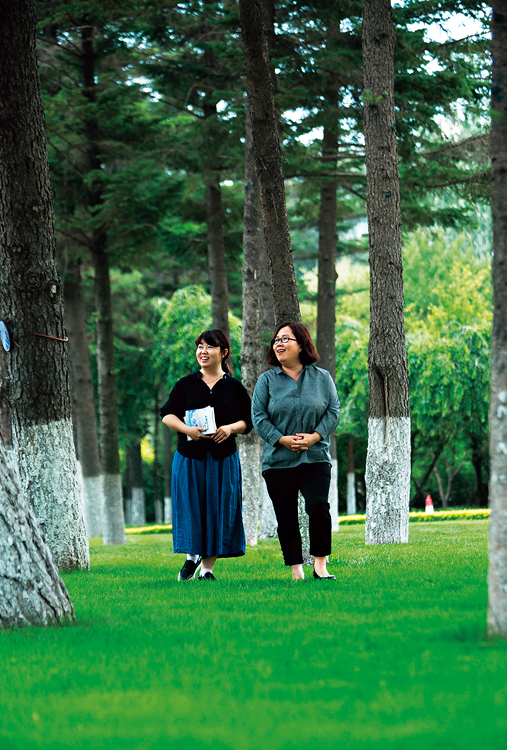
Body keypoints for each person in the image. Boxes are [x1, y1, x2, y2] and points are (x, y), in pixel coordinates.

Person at [161, 329, 252, 581]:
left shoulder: (233, 387)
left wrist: (230, 428)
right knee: (191, 507)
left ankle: (208, 570)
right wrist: (187, 429)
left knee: (217, 509)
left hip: (223, 458)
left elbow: (247, 421)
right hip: (190, 457)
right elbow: (167, 414)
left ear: (223, 353)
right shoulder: (185, 384)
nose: (203, 351)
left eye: (209, 347)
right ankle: (191, 559)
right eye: (200, 346)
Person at [252, 322, 340, 581]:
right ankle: (296, 571)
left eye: (285, 339)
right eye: (276, 340)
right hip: (278, 461)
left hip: (315, 458)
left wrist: (314, 437)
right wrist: (281, 440)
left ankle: (320, 566)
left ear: (301, 344)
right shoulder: (266, 380)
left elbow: (333, 411)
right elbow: (258, 416)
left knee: (318, 507)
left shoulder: (322, 378)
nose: (278, 344)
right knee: (287, 518)